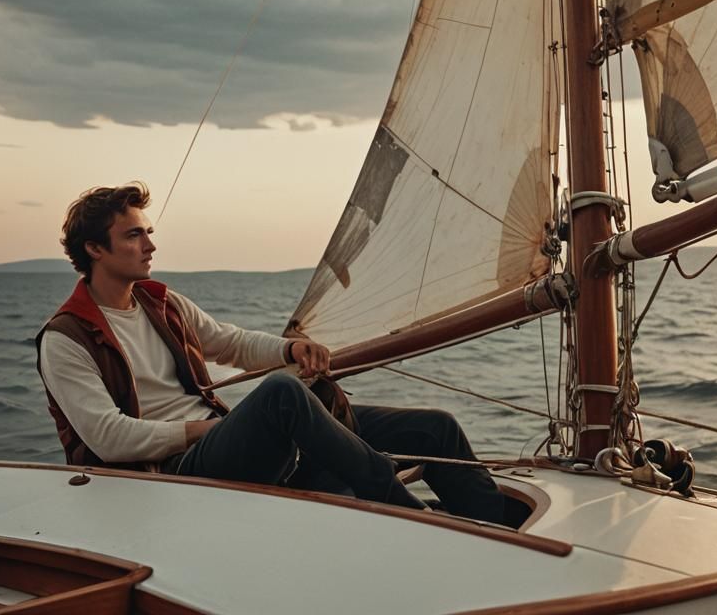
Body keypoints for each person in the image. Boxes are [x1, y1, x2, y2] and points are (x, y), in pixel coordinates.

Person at [36, 182, 520, 525]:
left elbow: (231, 342)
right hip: (172, 474)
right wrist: (210, 429)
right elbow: (109, 440)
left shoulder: (159, 302)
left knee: (433, 426)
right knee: (282, 393)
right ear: (95, 249)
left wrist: (290, 347)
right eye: (134, 235)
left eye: (147, 231)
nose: (150, 245)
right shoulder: (67, 338)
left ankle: (498, 532)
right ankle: (407, 514)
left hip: (222, 441)